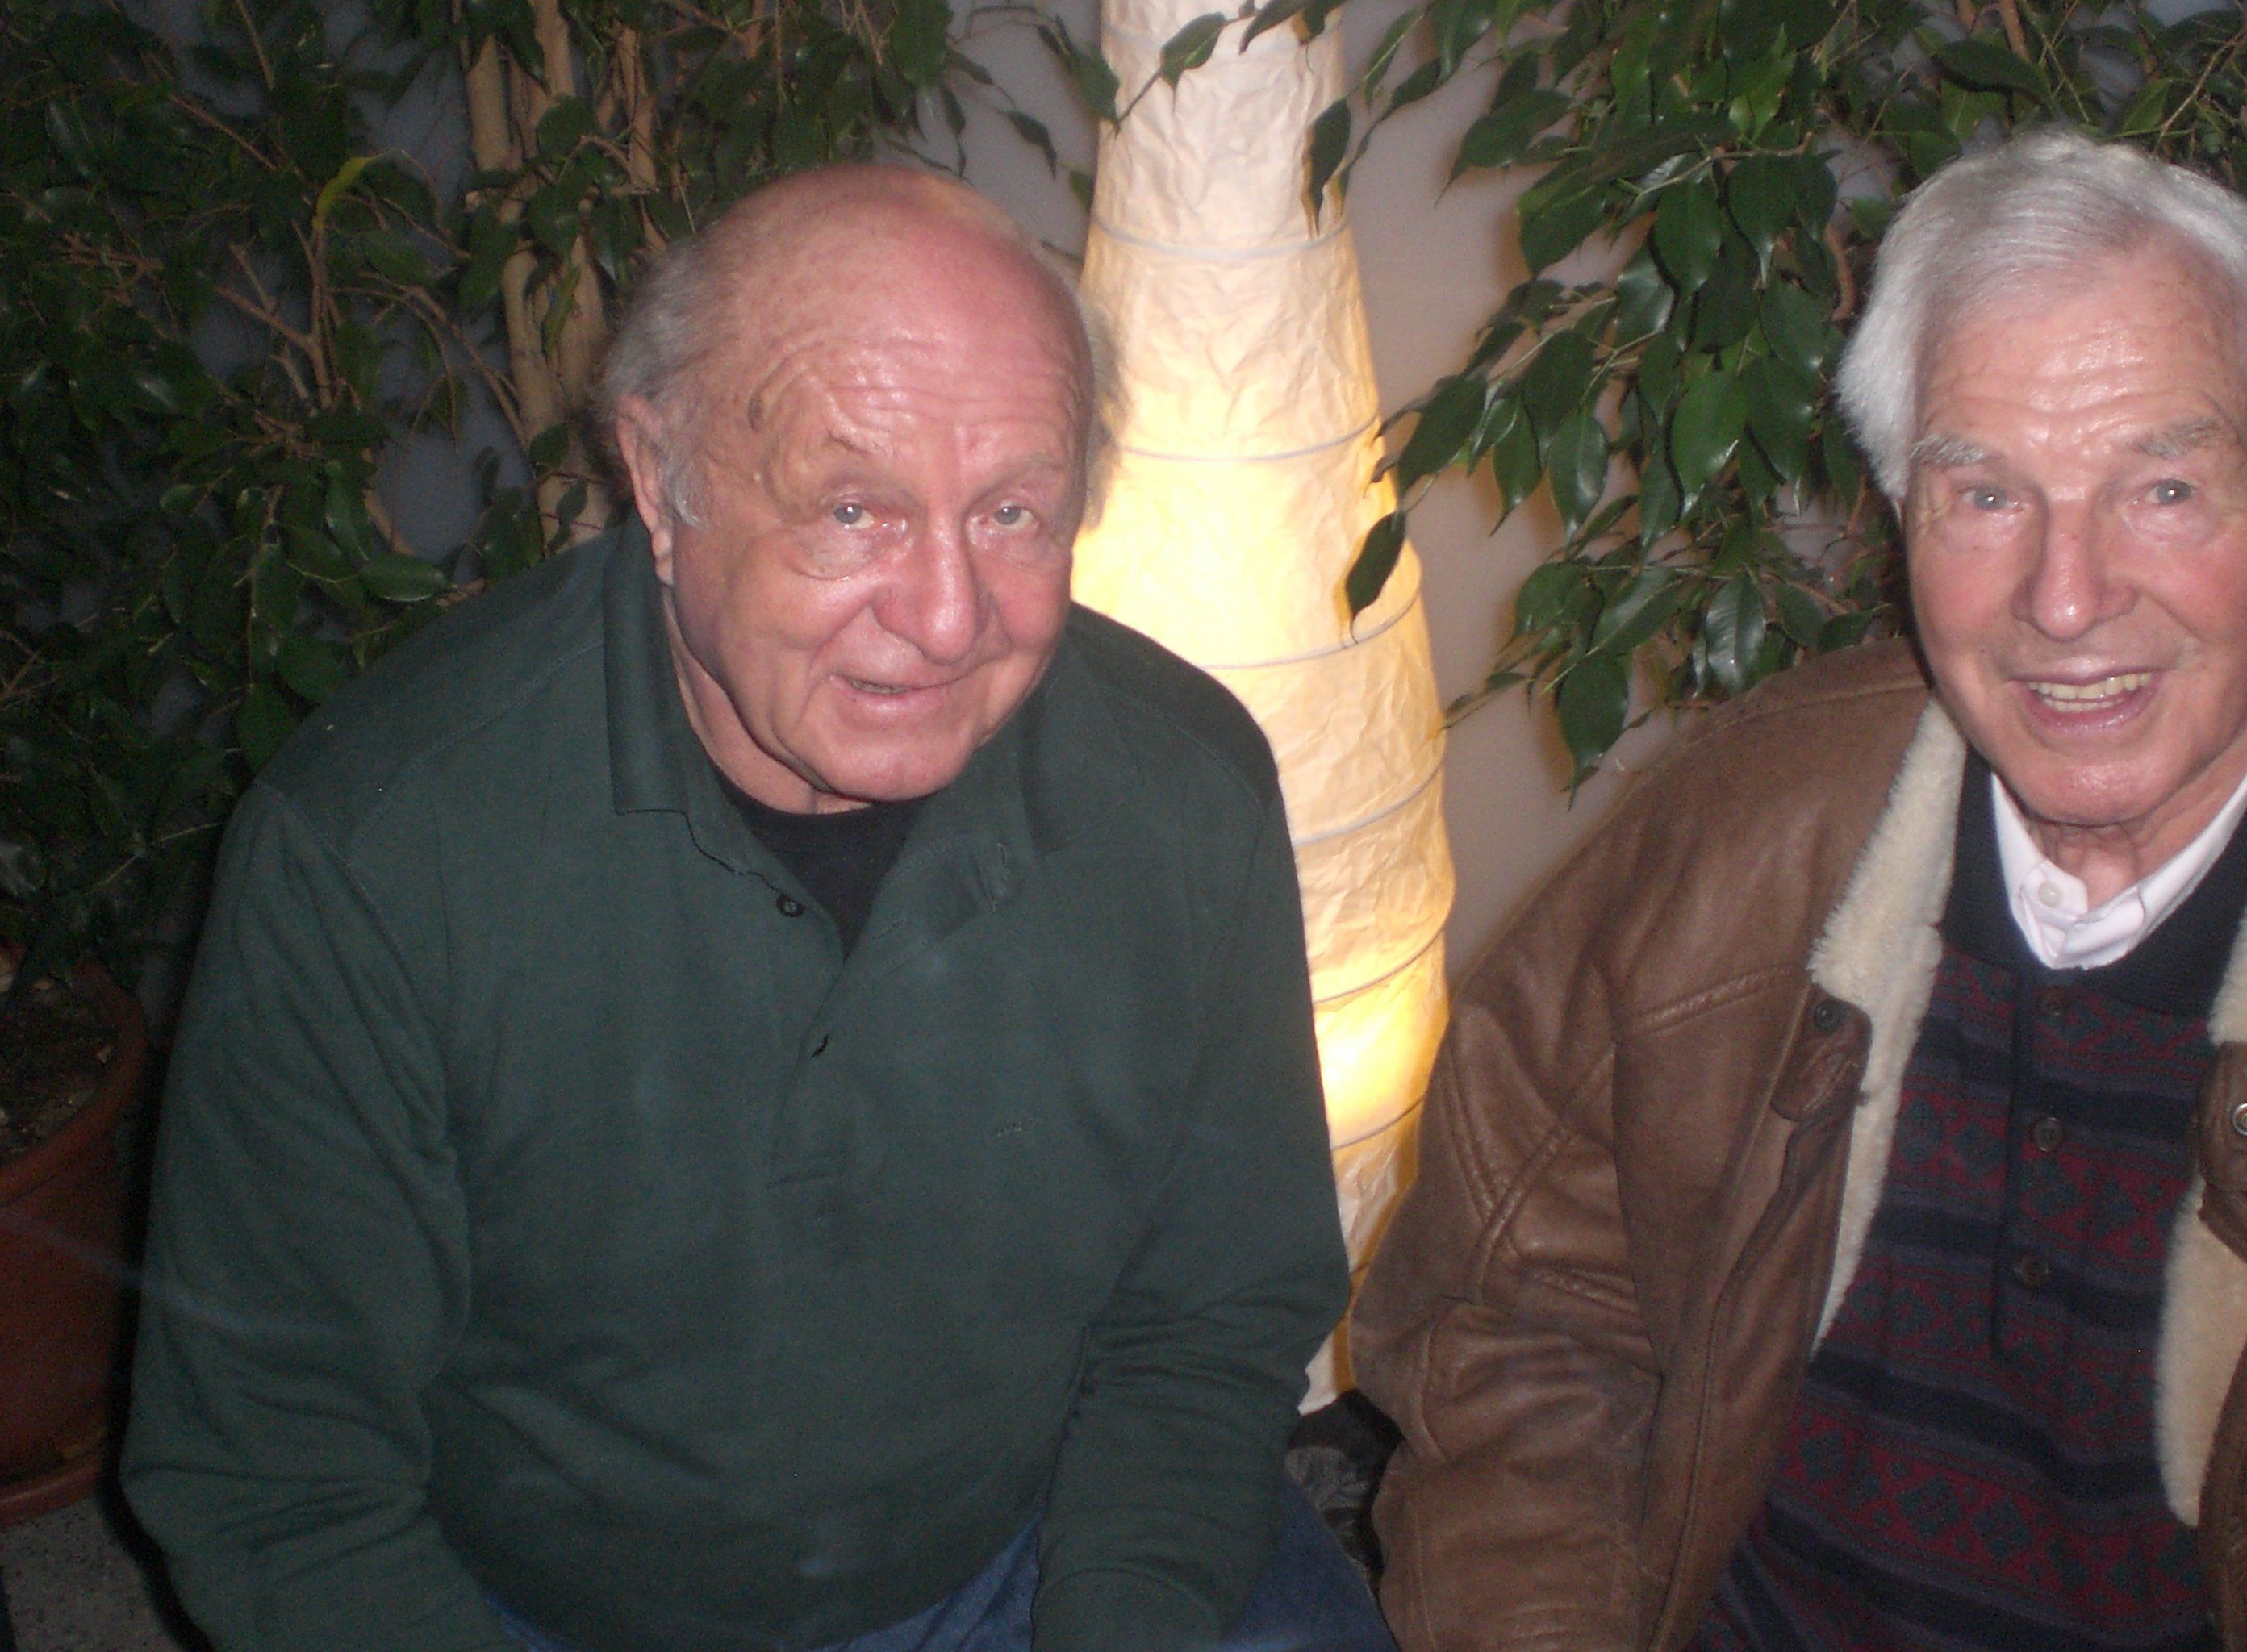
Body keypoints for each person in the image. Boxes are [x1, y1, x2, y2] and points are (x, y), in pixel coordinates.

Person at [123, 165, 1393, 1652]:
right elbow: (281, 1478)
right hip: (547, 1607)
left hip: (1040, 1530)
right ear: (658, 481)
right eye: (852, 509)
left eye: (1012, 512)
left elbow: (1210, 1312)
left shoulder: (1183, 791)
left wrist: (1123, 1619)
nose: (946, 617)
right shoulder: (375, 856)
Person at [1353, 127, 2247, 1651]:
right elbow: (1512, 1326)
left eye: (2162, 487)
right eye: (1986, 497)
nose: (2066, 601)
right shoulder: (1740, 835)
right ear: (1902, 521)